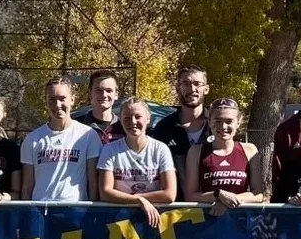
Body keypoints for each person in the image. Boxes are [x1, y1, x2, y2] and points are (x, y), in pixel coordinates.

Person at [98, 98, 177, 226]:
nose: (133, 122)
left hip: (153, 219)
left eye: (138, 117)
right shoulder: (109, 150)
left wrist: (138, 199)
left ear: (148, 119)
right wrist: (139, 200)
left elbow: (169, 194)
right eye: (127, 118)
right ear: (120, 121)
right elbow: (105, 192)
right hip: (117, 220)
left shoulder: (160, 149)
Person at [21, 78, 103, 201]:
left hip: (75, 208)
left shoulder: (88, 135)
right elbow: (27, 187)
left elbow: (93, 184)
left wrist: (92, 211)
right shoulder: (32, 139)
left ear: (72, 99)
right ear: (45, 101)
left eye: (62, 98)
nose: (57, 105)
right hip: (40, 208)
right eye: (52, 99)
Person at [184, 98, 266, 215]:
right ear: (209, 121)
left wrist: (228, 200)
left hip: (240, 219)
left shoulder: (249, 150)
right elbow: (190, 195)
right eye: (218, 121)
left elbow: (257, 194)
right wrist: (218, 195)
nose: (223, 126)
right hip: (208, 217)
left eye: (229, 121)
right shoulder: (196, 152)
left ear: (238, 122)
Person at [151, 65, 213, 197]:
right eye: (186, 83)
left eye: (197, 84)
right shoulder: (164, 128)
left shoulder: (216, 126)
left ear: (206, 89)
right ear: (178, 88)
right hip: (174, 205)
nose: (192, 89)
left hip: (212, 204)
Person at [77, 70, 125, 144]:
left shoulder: (124, 127)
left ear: (116, 94)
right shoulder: (77, 126)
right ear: (90, 94)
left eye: (109, 90)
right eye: (98, 90)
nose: (104, 95)